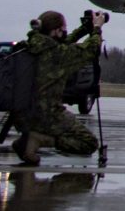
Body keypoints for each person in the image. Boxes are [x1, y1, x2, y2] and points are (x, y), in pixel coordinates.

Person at [16, 9, 105, 164]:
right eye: (63, 29)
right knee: (89, 143)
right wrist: (97, 29)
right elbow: (91, 50)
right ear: (56, 31)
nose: (65, 32)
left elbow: (63, 42)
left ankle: (27, 141)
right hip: (47, 115)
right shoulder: (58, 55)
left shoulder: (32, 46)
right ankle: (38, 140)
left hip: (22, 115)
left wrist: (84, 29)